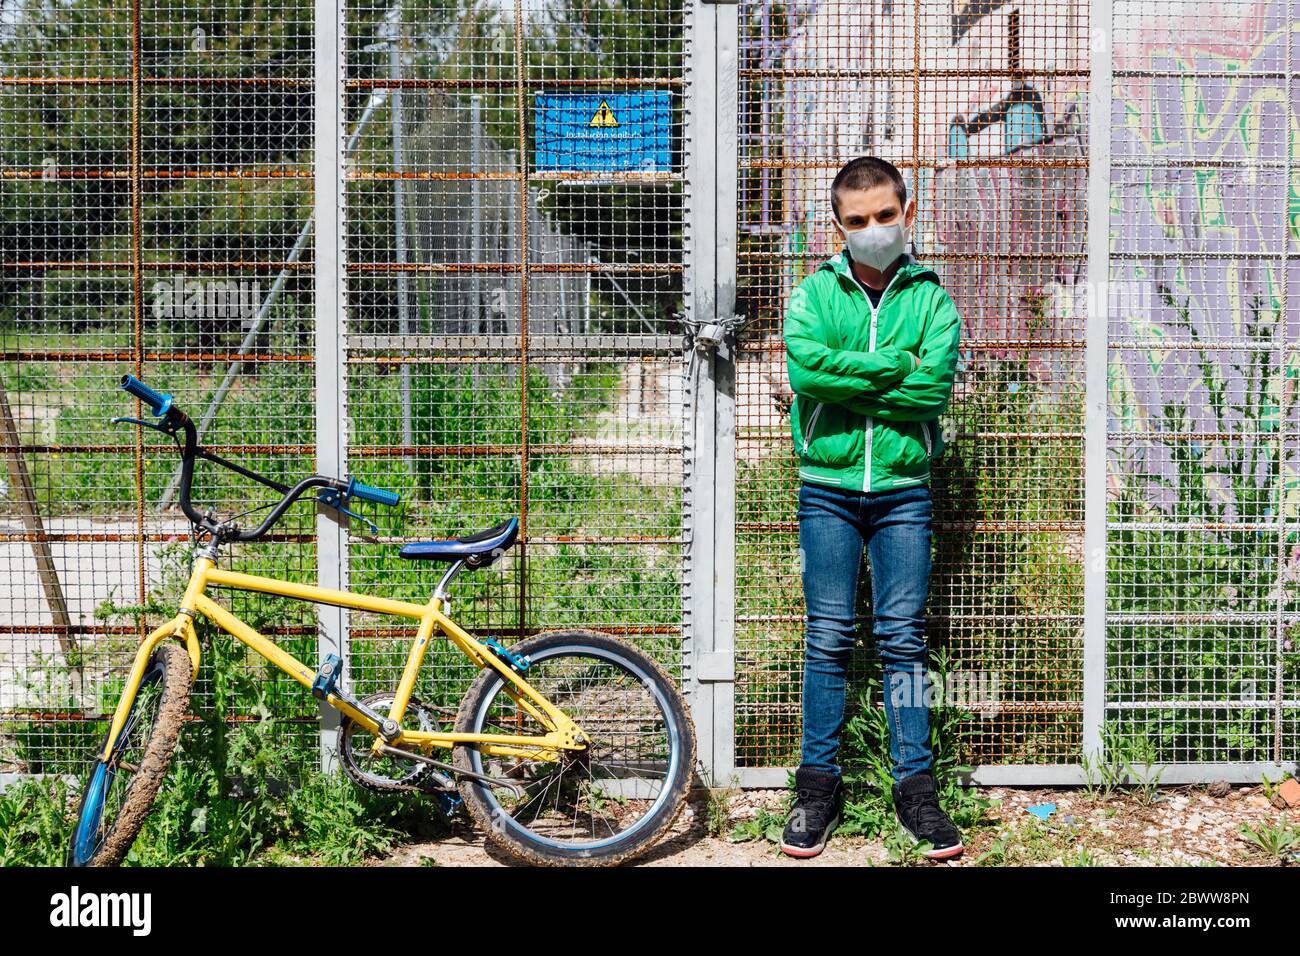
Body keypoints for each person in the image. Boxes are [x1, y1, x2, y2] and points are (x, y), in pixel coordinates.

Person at [779, 155, 963, 860]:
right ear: (838, 228)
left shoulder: (931, 300)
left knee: (901, 639)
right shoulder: (814, 294)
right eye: (857, 221)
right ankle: (816, 791)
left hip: (901, 493)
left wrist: (845, 381)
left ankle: (916, 791)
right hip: (825, 488)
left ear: (905, 213)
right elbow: (804, 370)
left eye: (885, 215)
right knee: (827, 637)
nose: (874, 229)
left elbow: (931, 395)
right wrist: (895, 368)